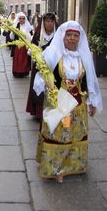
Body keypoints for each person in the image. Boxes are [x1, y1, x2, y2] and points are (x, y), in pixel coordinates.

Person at [33, 21, 103, 183]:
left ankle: (73, 165)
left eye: (75, 36)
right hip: (59, 103)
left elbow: (89, 80)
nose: (72, 39)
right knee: (59, 134)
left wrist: (92, 102)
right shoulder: (53, 54)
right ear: (63, 37)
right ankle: (57, 168)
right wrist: (47, 85)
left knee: (75, 134)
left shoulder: (83, 57)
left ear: (79, 38)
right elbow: (42, 74)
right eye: (69, 35)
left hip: (77, 105)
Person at [26, 13, 57, 119]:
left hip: (54, 66)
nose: (49, 24)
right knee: (39, 87)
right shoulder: (38, 34)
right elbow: (32, 48)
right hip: (40, 66)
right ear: (43, 23)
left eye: (52, 21)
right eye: (47, 21)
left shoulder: (58, 36)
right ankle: (39, 112)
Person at [10, 12, 33, 77]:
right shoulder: (16, 26)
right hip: (17, 46)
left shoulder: (28, 27)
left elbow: (31, 36)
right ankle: (17, 72)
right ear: (18, 19)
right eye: (20, 18)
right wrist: (12, 32)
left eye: (23, 18)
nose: (21, 20)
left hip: (25, 46)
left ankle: (24, 72)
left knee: (24, 60)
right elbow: (12, 37)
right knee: (18, 60)